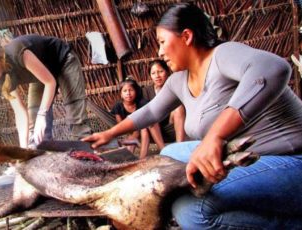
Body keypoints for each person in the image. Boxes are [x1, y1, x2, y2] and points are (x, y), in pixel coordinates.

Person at [83, 3, 302, 229]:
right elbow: (151, 111)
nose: (159, 52)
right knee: (168, 155)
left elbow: (272, 68)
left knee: (191, 210)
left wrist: (214, 137)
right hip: (247, 158)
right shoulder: (179, 80)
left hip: (291, 161)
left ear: (186, 36)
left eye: (162, 42)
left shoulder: (222, 55)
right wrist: (108, 133)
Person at [0, 34, 92, 148]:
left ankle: (87, 153)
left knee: (75, 115)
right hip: (42, 76)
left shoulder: (16, 52)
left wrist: (43, 115)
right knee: (34, 121)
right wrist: (23, 150)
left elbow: (50, 82)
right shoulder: (0, 77)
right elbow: (19, 112)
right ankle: (41, 154)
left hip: (62, 61)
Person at [111, 77, 165, 158]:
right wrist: (133, 134)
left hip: (149, 129)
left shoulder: (142, 103)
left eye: (131, 90)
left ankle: (142, 158)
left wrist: (136, 133)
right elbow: (121, 125)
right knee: (135, 137)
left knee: (144, 128)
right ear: (121, 94)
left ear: (136, 92)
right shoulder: (118, 106)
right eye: (125, 91)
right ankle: (131, 159)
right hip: (128, 131)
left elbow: (148, 118)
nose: (128, 93)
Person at [144, 59, 187, 142]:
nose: (157, 76)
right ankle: (162, 149)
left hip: (172, 126)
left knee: (178, 108)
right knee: (148, 114)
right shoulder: (146, 91)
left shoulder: (175, 86)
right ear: (150, 76)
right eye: (153, 73)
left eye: (160, 71)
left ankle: (180, 146)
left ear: (167, 71)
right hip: (154, 129)